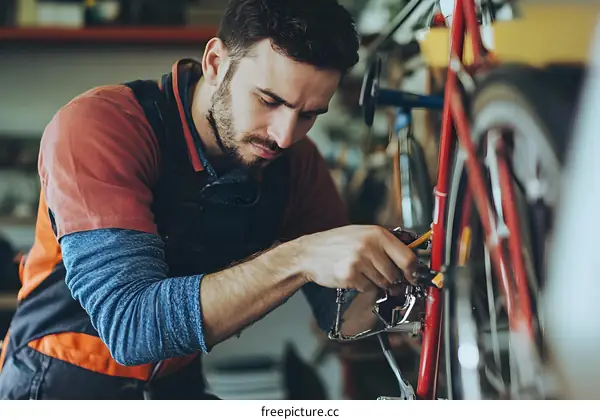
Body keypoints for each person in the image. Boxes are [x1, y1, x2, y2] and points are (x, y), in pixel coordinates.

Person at [0, 0, 418, 399]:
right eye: (269, 101)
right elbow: (131, 328)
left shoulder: (295, 162)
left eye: (309, 114)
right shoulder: (102, 128)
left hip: (175, 387)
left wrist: (406, 280)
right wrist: (301, 257)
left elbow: (340, 310)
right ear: (216, 64)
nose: (285, 135)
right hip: (59, 382)